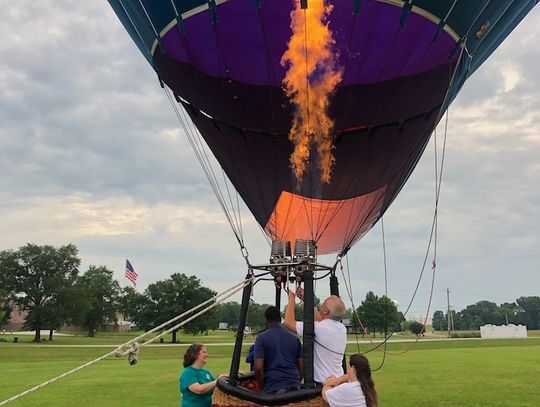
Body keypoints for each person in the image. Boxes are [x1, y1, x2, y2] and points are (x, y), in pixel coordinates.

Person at [284, 288, 347, 384]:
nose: (320, 305)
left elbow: (289, 323)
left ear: (326, 311)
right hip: (338, 380)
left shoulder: (319, 328)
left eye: (323, 303)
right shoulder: (342, 329)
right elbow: (321, 321)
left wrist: (291, 299)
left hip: (323, 384)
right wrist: (307, 300)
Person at [254, 306, 303, 393]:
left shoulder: (261, 338)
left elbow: (258, 367)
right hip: (294, 385)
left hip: (273, 385)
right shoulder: (295, 338)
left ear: (266, 320)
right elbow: (302, 366)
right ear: (280, 319)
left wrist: (262, 387)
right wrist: (296, 381)